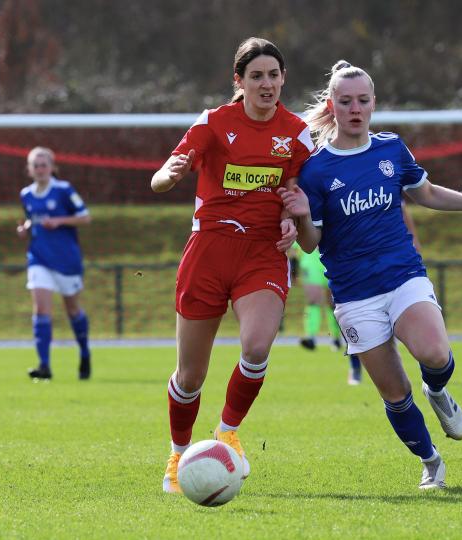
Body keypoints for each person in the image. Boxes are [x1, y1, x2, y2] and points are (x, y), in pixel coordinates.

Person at [280, 61, 462, 489]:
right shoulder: (317, 170)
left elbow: (426, 192)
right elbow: (309, 243)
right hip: (354, 294)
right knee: (394, 393)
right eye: (345, 101)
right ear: (332, 105)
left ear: (373, 103)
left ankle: (437, 391)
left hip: (402, 276)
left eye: (362, 100)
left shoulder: (391, 149)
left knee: (434, 353)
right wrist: (302, 217)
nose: (355, 108)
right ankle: (431, 463)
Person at [150, 37, 311, 494]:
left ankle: (227, 433)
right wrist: (171, 174)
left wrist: (291, 221)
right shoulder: (215, 123)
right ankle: (179, 455)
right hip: (209, 251)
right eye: (256, 76)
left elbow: (296, 194)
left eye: (274, 75)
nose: (267, 84)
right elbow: (163, 176)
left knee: (257, 346)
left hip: (262, 253)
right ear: (238, 81)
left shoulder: (297, 133)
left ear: (283, 79)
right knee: (190, 375)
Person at [16, 146, 93, 380]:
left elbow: (85, 217)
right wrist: (25, 229)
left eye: (43, 165)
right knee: (40, 309)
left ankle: (84, 351)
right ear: (29, 170)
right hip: (38, 257)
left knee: (72, 310)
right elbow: (32, 221)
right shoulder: (26, 195)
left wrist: (59, 220)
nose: (40, 169)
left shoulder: (63, 190)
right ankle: (44, 366)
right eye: (35, 165)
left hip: (66, 260)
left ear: (52, 167)